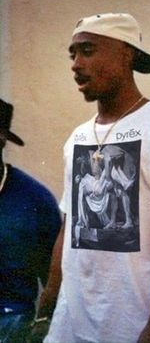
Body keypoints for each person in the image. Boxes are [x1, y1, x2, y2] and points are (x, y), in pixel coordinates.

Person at [38, 13, 150, 343]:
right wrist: (49, 304)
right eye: (73, 54)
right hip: (73, 321)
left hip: (135, 322)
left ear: (126, 53)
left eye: (87, 51)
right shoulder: (78, 138)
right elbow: (69, 227)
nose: (75, 64)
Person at [0, 99, 62, 342]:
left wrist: (44, 324)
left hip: (11, 319)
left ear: (2, 139)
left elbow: (54, 277)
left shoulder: (35, 199)